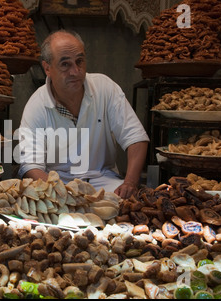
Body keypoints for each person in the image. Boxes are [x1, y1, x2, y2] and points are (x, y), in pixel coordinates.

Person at [17, 29, 149, 199]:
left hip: (104, 181)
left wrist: (130, 182)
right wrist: (61, 193)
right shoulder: (37, 105)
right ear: (47, 68)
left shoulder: (105, 88)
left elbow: (135, 137)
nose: (75, 71)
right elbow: (30, 164)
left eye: (79, 61)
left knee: (129, 208)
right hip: (58, 184)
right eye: (65, 64)